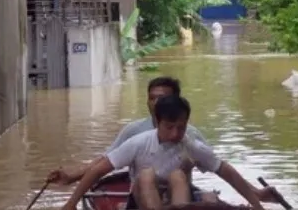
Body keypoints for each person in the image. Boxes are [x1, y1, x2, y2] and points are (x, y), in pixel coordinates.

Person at [57, 94, 268, 210]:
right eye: (170, 127)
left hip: (178, 202)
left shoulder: (191, 144)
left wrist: (256, 205)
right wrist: (71, 204)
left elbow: (227, 172)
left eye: (181, 127)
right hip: (142, 202)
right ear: (157, 123)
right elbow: (98, 169)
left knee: (178, 176)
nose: (176, 134)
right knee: (147, 175)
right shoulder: (138, 142)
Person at [46, 76, 207, 186]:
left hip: (179, 194)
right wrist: (71, 177)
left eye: (162, 98)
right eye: (152, 98)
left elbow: (212, 165)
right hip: (142, 195)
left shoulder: (191, 135)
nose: (155, 103)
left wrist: (190, 162)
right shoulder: (134, 131)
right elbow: (105, 162)